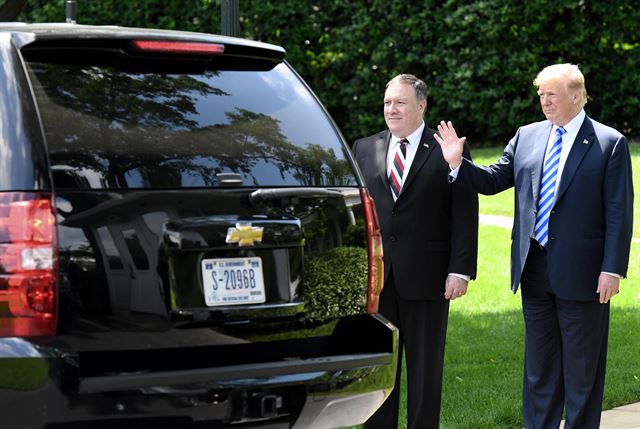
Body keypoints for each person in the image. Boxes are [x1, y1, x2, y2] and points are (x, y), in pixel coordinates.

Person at [435, 63, 634, 429]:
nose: (544, 101)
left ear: (577, 96)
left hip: (585, 274)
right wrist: (458, 163)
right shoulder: (526, 135)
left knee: (581, 372)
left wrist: (612, 269)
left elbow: (619, 212)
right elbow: (494, 179)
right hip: (533, 268)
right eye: (541, 94)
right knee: (539, 370)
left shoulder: (609, 143)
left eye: (551, 94)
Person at [352, 73, 479, 429]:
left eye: (400, 102)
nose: (391, 109)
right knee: (378, 368)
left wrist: (461, 270)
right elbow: (360, 214)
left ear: (421, 106)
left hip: (429, 278)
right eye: (387, 103)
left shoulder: (447, 148)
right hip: (379, 279)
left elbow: (465, 213)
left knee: (425, 371)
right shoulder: (365, 147)